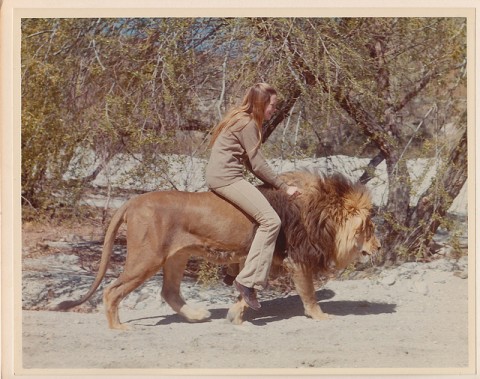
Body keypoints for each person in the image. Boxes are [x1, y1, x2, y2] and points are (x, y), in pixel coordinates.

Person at [205, 83, 300, 310]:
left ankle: (230, 270)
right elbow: (257, 164)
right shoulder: (248, 123)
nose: (273, 110)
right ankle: (247, 282)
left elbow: (248, 161)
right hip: (227, 179)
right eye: (272, 105)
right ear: (261, 103)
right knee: (271, 221)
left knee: (254, 217)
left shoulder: (240, 119)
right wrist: (283, 187)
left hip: (221, 175)